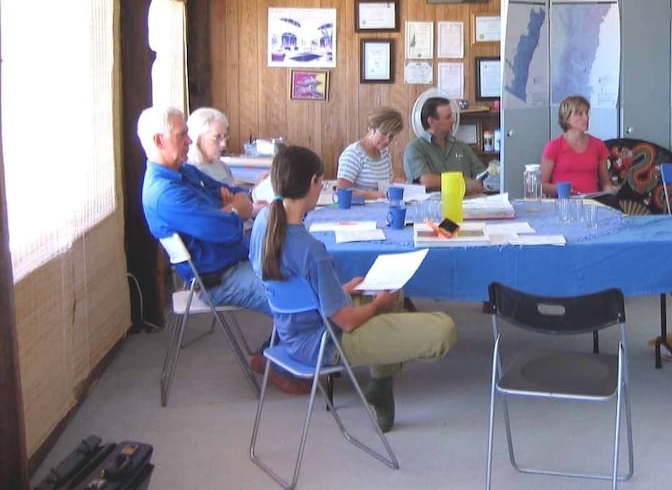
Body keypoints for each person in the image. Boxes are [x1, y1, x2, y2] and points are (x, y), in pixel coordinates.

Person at [251, 145, 457, 432]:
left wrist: (341, 288)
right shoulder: (312, 250)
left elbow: (293, 286)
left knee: (391, 293)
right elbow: (347, 323)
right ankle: (381, 377)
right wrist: (377, 306)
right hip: (324, 342)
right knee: (443, 329)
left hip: (292, 330)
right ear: (314, 183)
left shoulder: (263, 223)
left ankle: (381, 387)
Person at [138, 105, 267, 314]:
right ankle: (283, 346)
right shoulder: (165, 194)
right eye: (182, 135)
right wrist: (235, 210)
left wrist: (230, 207)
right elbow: (224, 229)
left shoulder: (184, 171)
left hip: (240, 258)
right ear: (159, 141)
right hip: (221, 278)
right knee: (300, 296)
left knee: (306, 272)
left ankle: (281, 345)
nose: (189, 141)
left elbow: (232, 192)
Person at [403, 96, 485, 195]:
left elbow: (483, 175)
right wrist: (463, 182)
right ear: (431, 121)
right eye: (448, 117)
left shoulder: (462, 147)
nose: (453, 120)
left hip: (468, 206)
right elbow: (427, 181)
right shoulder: (415, 149)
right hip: (432, 207)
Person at [541, 95, 615, 197]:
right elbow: (542, 185)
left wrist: (609, 190)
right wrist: (564, 190)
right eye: (580, 114)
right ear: (567, 119)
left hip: (592, 203)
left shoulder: (598, 145)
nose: (586, 117)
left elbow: (605, 182)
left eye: (587, 113)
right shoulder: (553, 146)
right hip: (564, 203)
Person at [336, 106, 404, 200]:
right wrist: (372, 195)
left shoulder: (385, 153)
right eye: (383, 134)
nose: (387, 140)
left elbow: (385, 183)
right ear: (371, 129)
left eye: (391, 136)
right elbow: (342, 193)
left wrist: (396, 183)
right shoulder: (353, 154)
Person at [186, 106, 236, 184]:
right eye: (217, 137)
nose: (224, 144)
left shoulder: (222, 166)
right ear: (198, 139)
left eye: (225, 136)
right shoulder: (190, 171)